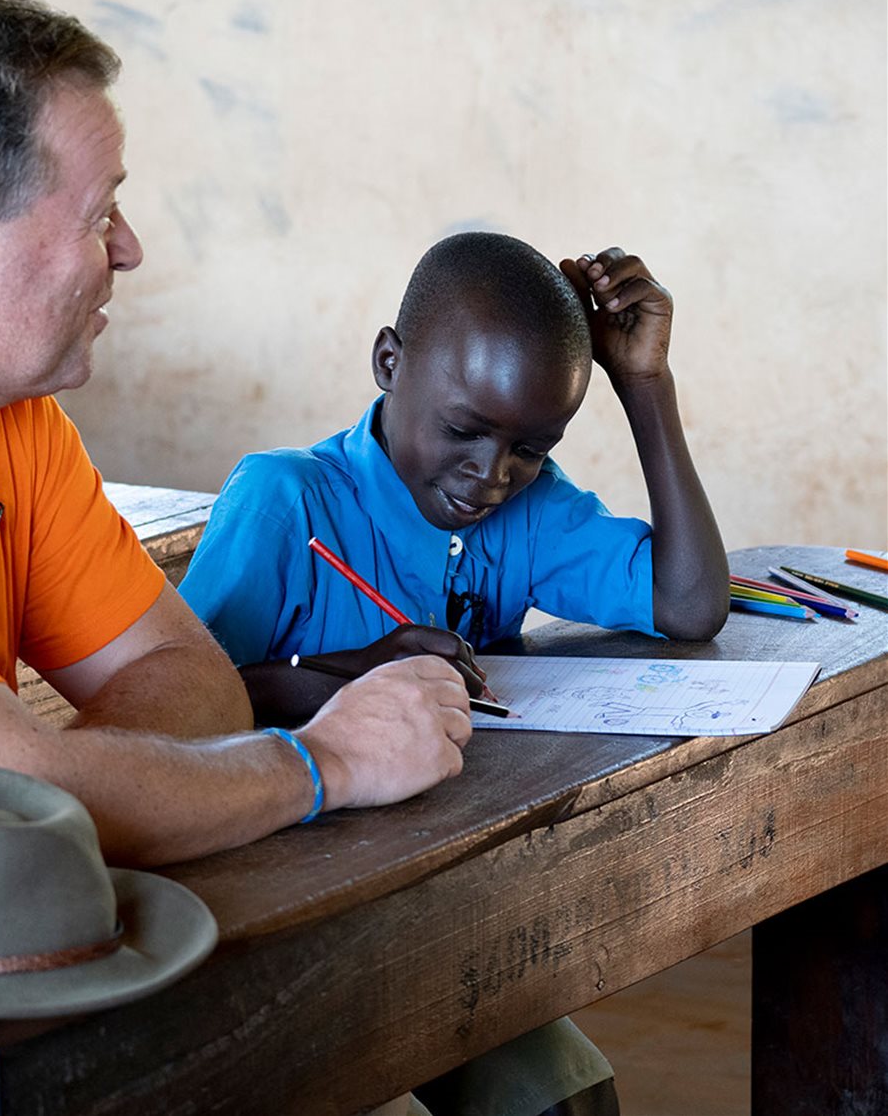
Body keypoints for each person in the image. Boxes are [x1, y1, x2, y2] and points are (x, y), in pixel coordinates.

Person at [0, 0, 474, 1115]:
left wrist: (65, 796)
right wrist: (321, 766)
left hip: (14, 989)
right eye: (97, 210)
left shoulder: (5, 416)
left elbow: (186, 683)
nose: (127, 249)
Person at [179, 230, 731, 1114]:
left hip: (446, 900)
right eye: (465, 432)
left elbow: (692, 604)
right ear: (389, 363)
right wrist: (341, 673)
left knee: (565, 1100)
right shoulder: (285, 500)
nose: (491, 476)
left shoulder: (525, 509)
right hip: (271, 909)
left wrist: (647, 390)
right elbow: (177, 711)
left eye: (532, 448)